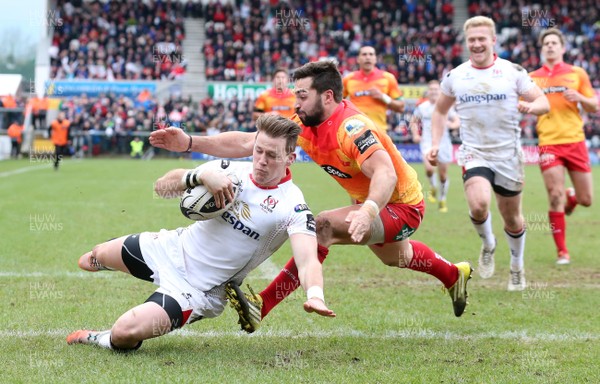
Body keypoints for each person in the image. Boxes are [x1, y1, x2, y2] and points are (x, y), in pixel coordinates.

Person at [150, 60, 473, 334]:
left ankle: (263, 304)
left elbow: (386, 174)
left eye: (302, 95)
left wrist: (369, 210)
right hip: (373, 204)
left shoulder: (353, 128)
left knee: (321, 228)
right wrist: (190, 142)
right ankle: (452, 274)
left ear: (327, 96)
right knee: (395, 258)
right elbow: (249, 142)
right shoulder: (304, 123)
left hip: (400, 206)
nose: (296, 102)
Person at [66, 114, 335, 351]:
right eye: (258, 151)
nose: (261, 161)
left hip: (198, 290)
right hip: (171, 247)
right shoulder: (231, 170)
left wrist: (315, 296)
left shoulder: (293, 206)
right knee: (91, 258)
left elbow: (307, 260)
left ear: (291, 158)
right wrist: (199, 176)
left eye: (272, 155)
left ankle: (99, 338)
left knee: (124, 332)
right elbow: (162, 188)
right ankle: (109, 259)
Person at [427, 16, 550, 291]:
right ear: (466, 42)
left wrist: (531, 108)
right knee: (479, 204)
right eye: (472, 39)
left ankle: (517, 266)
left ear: (493, 40)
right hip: (474, 153)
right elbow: (439, 111)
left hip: (508, 155)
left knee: (512, 218)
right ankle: (488, 243)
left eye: (482, 38)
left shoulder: (513, 72)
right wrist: (435, 144)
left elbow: (544, 101)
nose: (477, 44)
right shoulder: (456, 76)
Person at [529, 28, 598, 265]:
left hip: (575, 142)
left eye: (554, 43)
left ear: (563, 48)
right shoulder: (533, 77)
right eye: (546, 43)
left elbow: (594, 106)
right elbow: (518, 103)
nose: (550, 46)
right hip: (549, 143)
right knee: (554, 194)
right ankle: (562, 252)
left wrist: (581, 98)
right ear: (542, 48)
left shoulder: (577, 73)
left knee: (586, 199)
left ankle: (573, 197)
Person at [410, 80, 460, 212]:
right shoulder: (422, 107)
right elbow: (413, 121)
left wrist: (451, 125)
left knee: (443, 175)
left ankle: (442, 199)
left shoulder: (445, 107)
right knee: (429, 169)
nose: (433, 92)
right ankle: (433, 186)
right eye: (431, 89)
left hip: (444, 144)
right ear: (428, 91)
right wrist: (415, 134)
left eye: (436, 89)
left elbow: (456, 121)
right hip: (427, 142)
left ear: (440, 91)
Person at [342, 46, 405, 131]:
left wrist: (383, 97)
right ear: (358, 59)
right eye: (364, 54)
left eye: (371, 54)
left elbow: (401, 107)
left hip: (379, 132)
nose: (368, 57)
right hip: (355, 132)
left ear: (375, 59)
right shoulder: (348, 79)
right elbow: (337, 104)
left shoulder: (387, 78)